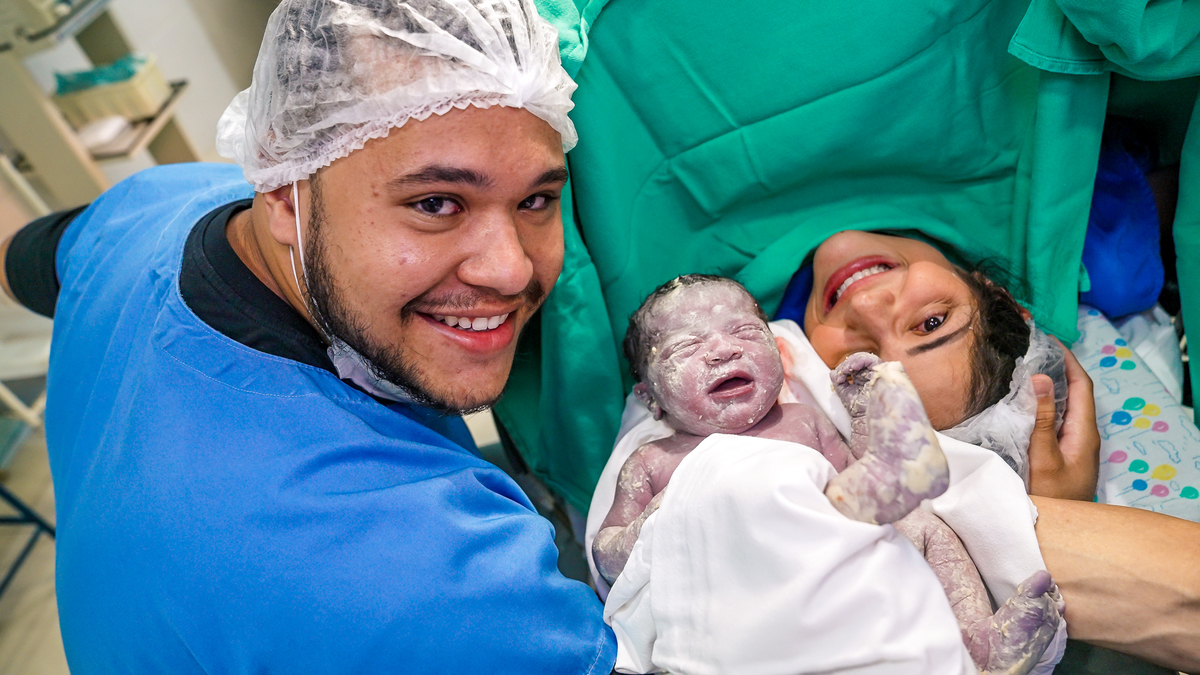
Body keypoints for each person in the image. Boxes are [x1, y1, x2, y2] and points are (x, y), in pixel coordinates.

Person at [0, 0, 616, 672]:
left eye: (535, 200)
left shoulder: (146, 206)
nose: (511, 268)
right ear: (283, 193)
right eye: (436, 203)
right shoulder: (419, 582)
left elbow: (17, 259)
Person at [595, 274, 1063, 675]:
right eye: (686, 347)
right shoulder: (654, 460)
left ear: (778, 351)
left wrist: (863, 415)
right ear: (651, 398)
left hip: (827, 563)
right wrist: (656, 522)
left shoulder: (803, 421)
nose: (723, 350)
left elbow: (857, 483)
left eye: (745, 332)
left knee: (922, 526)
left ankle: (975, 643)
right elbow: (607, 557)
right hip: (734, 595)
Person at [787, 229, 1200, 672]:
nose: (865, 304)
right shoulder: (1072, 224)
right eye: (932, 323)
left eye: (855, 365)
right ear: (996, 292)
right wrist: (1036, 520)